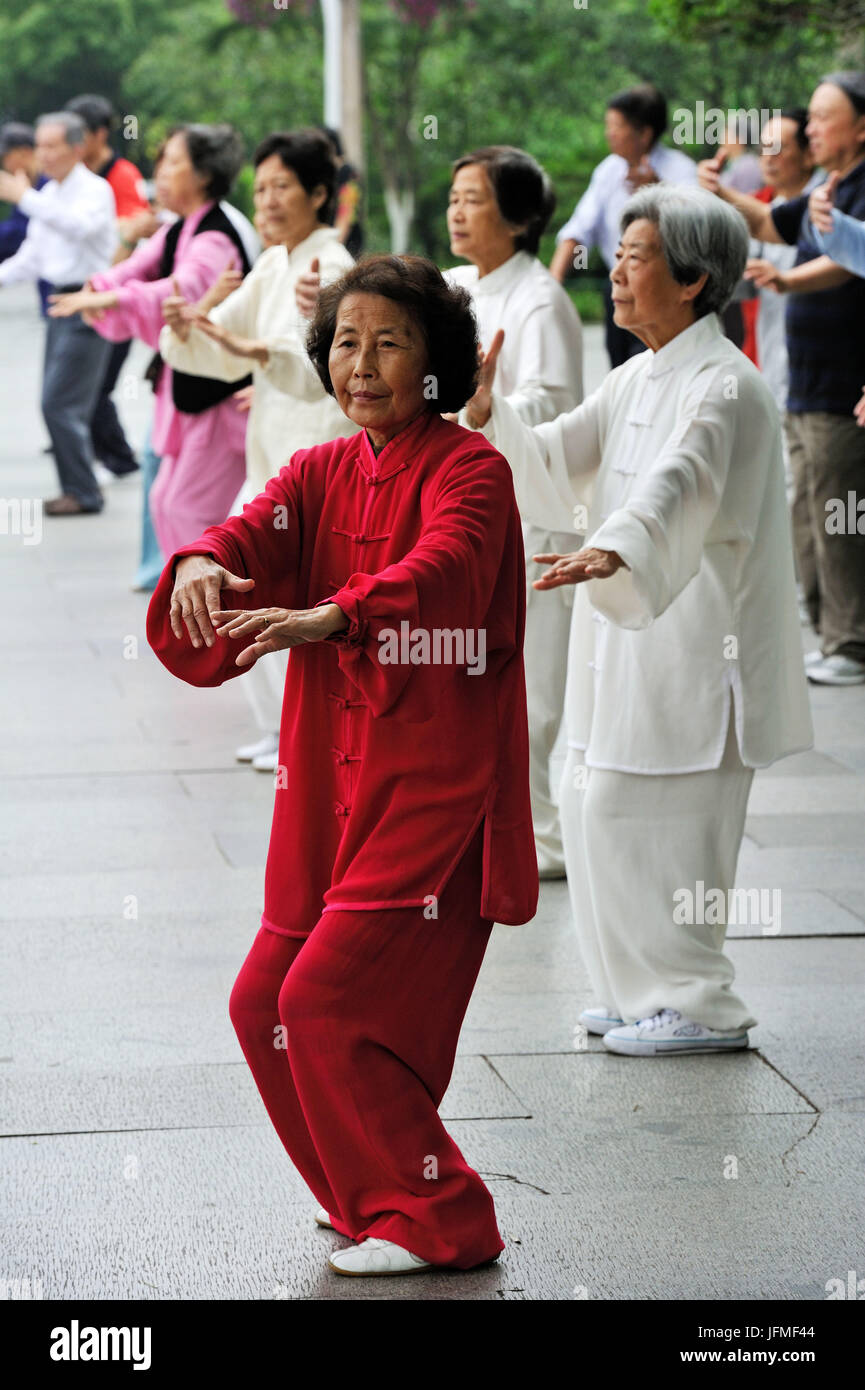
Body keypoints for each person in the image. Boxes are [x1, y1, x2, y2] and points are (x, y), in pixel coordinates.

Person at [145, 254, 538, 1276]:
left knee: (322, 1000)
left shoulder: (469, 468)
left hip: (431, 785)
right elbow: (252, 527)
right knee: (260, 1000)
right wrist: (201, 557)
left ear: (434, 362)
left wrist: (341, 611)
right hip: (326, 786)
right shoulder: (322, 469)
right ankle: (364, 1194)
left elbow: (447, 566)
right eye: (346, 343)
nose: (361, 364)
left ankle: (438, 1215)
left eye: (390, 342)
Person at [461, 185, 813, 1057]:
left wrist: (616, 546)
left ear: (692, 279)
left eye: (636, 257)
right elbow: (552, 456)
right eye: (616, 255)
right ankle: (635, 992)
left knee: (666, 824)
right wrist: (486, 411)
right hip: (623, 639)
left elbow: (679, 482)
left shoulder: (725, 386)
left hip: (699, 652)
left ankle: (699, 1002)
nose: (614, 272)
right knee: (595, 804)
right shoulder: (637, 372)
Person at [157, 128, 359, 773]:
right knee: (250, 590)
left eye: (281, 187)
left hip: (318, 459)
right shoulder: (275, 262)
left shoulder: (336, 268)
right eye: (260, 187)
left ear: (319, 194)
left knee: (300, 605)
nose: (266, 201)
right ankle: (277, 729)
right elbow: (224, 346)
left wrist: (258, 352)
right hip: (270, 459)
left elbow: (330, 376)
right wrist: (190, 325)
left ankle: (303, 736)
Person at [699, 71, 865, 686]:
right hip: (806, 379)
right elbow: (772, 225)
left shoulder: (857, 186)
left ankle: (850, 641)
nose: (813, 127)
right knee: (812, 505)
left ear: (861, 127)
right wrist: (720, 191)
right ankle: (827, 628)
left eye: (824, 118)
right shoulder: (829, 186)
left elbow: (851, 258)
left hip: (843, 382)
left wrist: (792, 280)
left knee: (839, 509)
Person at [445, 145, 583, 878]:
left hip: (533, 516)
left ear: (520, 216)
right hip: (468, 514)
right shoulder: (456, 286)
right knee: (477, 678)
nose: (456, 211)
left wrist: (488, 406)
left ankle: (546, 839)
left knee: (531, 689)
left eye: (473, 198)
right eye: (454, 196)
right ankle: (494, 827)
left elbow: (557, 410)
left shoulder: (540, 300)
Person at [49, 124, 252, 553]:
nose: (161, 172)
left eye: (174, 162)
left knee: (186, 509)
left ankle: (212, 612)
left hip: (220, 396)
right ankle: (190, 609)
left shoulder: (214, 234)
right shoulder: (180, 228)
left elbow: (181, 290)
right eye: (160, 162)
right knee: (163, 501)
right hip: (190, 389)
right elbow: (137, 266)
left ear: (204, 174)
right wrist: (98, 288)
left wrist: (110, 297)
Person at [0, 111, 116, 515]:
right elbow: (32, 259)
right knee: (59, 403)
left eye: (51, 145)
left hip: (88, 304)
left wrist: (24, 198)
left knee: (59, 403)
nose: (42, 154)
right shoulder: (47, 195)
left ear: (77, 147)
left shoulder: (94, 190)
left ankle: (84, 490)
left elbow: (79, 228)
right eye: (40, 146)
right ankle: (77, 488)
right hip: (59, 306)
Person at [549, 84, 697, 368]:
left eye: (616, 126)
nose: (609, 134)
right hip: (618, 286)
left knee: (660, 365)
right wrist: (552, 282)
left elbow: (697, 232)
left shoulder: (681, 171)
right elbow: (579, 229)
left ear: (644, 133)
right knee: (622, 369)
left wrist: (660, 192)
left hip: (666, 290)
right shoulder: (608, 171)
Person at [65, 93, 152, 482]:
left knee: (95, 386)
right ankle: (107, 453)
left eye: (78, 133)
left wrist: (105, 282)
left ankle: (116, 456)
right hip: (86, 294)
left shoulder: (123, 175)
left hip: (113, 295)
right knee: (84, 386)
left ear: (100, 134)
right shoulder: (74, 177)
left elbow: (136, 231)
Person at [0, 123, 52, 315]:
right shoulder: (26, 183)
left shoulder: (49, 184)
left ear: (23, 152)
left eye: (7, 157)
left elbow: (21, 232)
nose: (5, 165)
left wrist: (22, 197)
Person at [320, 126, 363, 257]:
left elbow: (346, 215)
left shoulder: (348, 174)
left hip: (345, 248)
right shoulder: (330, 175)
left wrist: (333, 249)